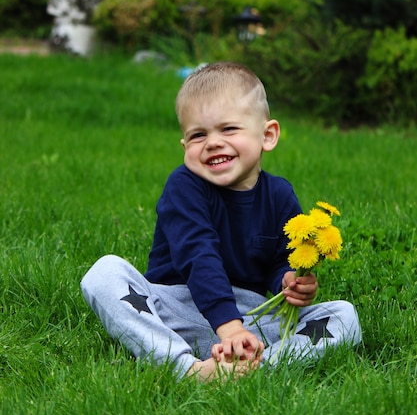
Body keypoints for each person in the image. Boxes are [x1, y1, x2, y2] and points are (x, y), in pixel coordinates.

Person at [81, 62, 361, 381]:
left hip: (252, 319)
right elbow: (198, 256)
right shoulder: (183, 186)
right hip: (178, 308)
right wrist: (229, 328)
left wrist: (289, 282)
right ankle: (184, 368)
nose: (213, 142)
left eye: (228, 129)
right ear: (186, 147)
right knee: (103, 273)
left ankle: (253, 368)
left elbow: (279, 261)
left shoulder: (280, 194)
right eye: (198, 134)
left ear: (267, 135)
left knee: (343, 317)